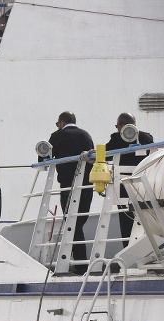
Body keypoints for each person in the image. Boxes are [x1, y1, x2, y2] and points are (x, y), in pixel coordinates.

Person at [49, 111, 95, 273]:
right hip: (87, 185)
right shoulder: (86, 135)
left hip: (69, 186)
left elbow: (45, 159)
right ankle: (81, 263)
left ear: (62, 122)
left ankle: (81, 265)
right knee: (78, 223)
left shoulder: (57, 136)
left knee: (72, 223)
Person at [105, 112, 154, 245]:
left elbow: (105, 154)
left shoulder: (116, 139)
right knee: (146, 219)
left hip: (123, 188)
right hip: (144, 186)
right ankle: (147, 249)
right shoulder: (145, 138)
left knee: (126, 221)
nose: (117, 129)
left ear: (121, 125)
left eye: (117, 125)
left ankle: (127, 247)